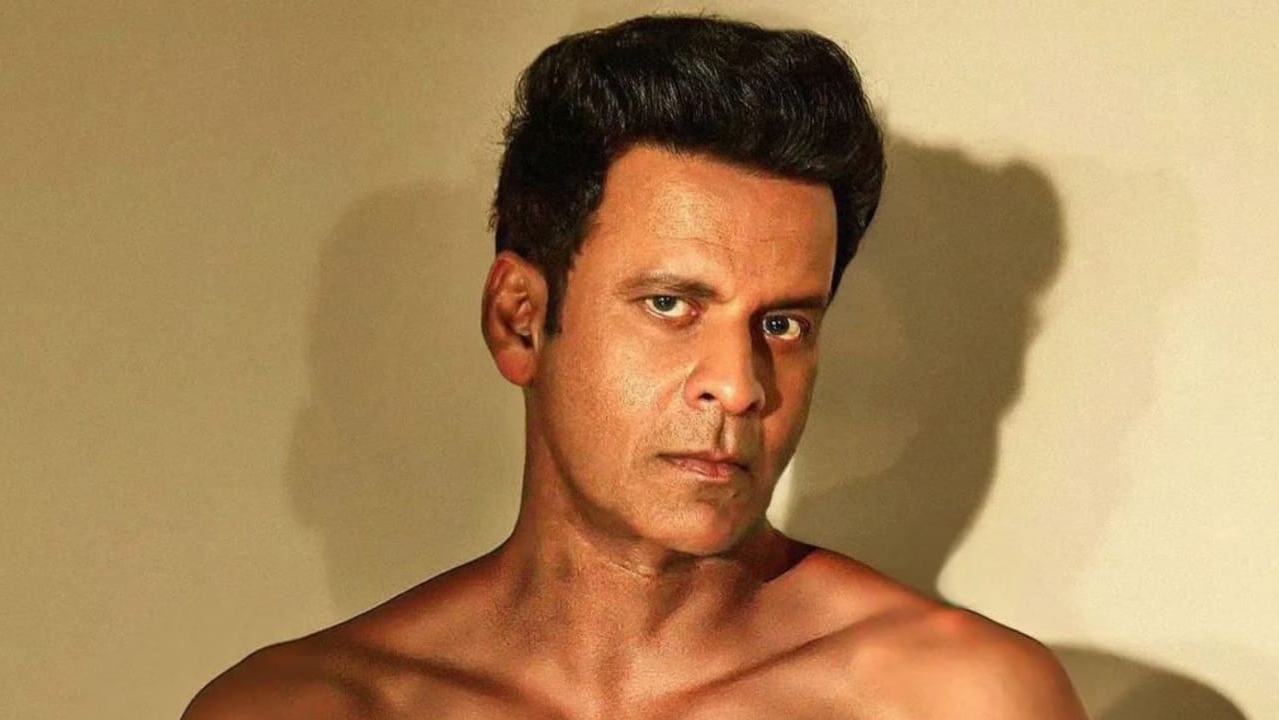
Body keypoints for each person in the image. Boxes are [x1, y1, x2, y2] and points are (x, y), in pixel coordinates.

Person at [184, 14, 1087, 719]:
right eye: (670, 305)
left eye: (781, 324)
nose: (739, 385)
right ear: (519, 321)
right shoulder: (306, 708)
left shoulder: (957, 703)